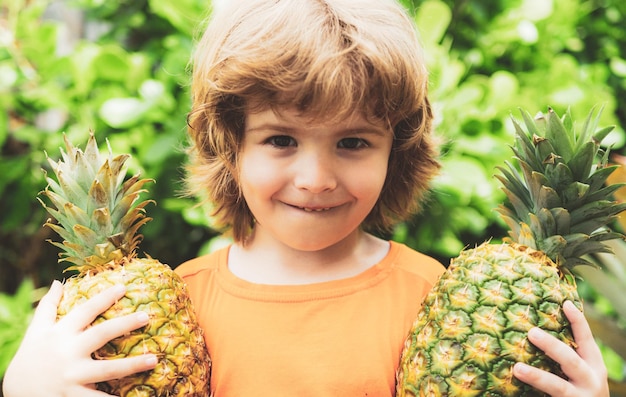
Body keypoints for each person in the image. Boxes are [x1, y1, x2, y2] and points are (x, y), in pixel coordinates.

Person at [2, 0, 610, 396]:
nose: (316, 177)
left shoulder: (439, 301)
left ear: (395, 150)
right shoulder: (168, 307)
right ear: (228, 143)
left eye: (352, 141)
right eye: (281, 139)